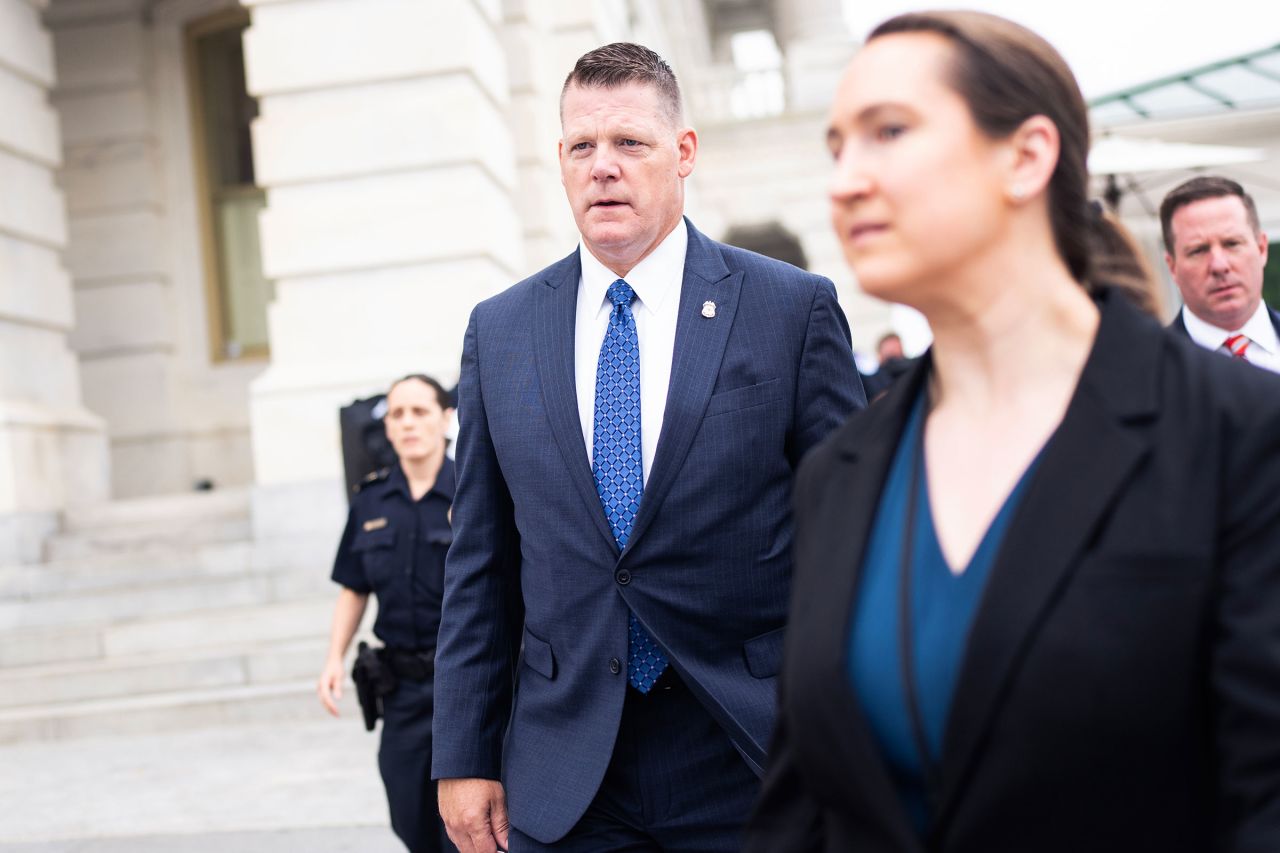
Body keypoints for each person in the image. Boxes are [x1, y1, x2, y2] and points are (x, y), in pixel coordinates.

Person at [748, 11, 1280, 853]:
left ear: (1027, 156)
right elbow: (803, 810)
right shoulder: (840, 474)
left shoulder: (1238, 433)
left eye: (889, 131)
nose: (845, 180)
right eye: (835, 147)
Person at [432, 42, 865, 853]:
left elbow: (853, 538)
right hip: (564, 769)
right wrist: (463, 751)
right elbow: (480, 561)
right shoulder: (502, 331)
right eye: (582, 147)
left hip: (751, 749)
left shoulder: (788, 309)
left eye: (630, 142)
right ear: (560, 161)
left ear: (683, 153)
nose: (604, 167)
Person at [317, 374, 458, 853]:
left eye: (419, 411)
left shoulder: (473, 493)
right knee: (409, 812)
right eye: (397, 413)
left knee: (468, 823)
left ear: (446, 418)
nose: (408, 423)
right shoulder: (370, 500)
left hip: (465, 682)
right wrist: (333, 657)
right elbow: (353, 587)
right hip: (401, 689)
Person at [1162, 176, 1278, 372]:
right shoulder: (1144, 371)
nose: (1219, 266)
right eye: (1198, 250)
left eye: (1232, 243)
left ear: (1261, 249)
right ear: (1172, 267)